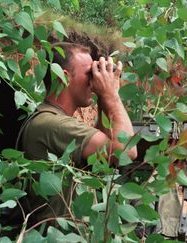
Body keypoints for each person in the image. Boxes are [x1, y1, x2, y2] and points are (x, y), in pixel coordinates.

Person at [16, 42, 137, 227]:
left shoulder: (50, 120)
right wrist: (111, 94)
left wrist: (104, 97)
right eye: (89, 74)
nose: (93, 80)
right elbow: (126, 151)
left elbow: (104, 158)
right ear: (63, 78)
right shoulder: (52, 125)